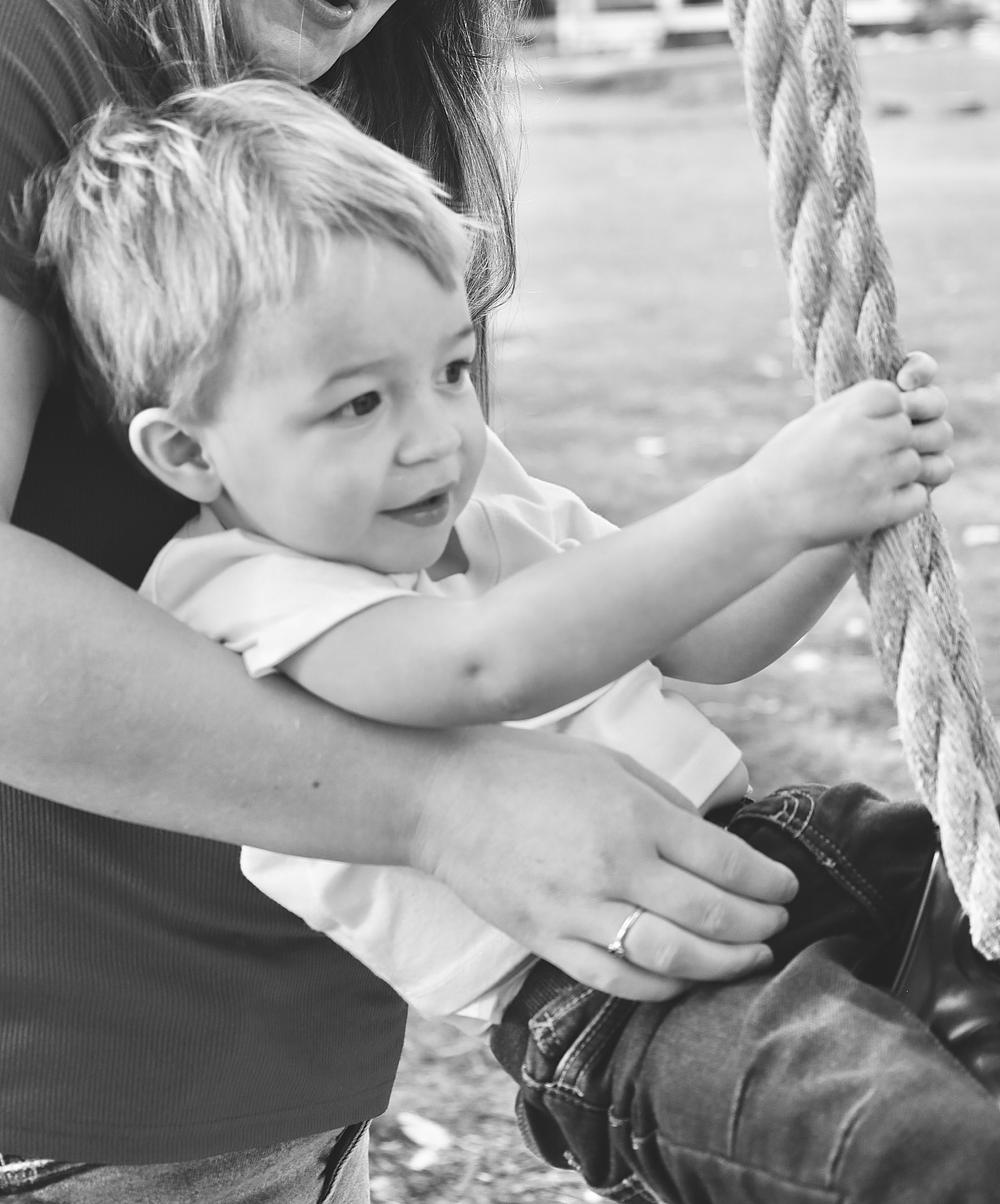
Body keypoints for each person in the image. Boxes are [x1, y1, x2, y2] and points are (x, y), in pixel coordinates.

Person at [0, 0, 801, 1195]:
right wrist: (439, 804)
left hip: (290, 1101)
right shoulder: (19, 31)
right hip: (77, 1120)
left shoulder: (303, 153)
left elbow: (567, 594)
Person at [35, 75, 1000, 1204]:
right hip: (625, 999)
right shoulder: (233, 591)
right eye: (359, 403)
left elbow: (712, 638)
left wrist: (835, 524)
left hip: (783, 851)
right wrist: (767, 503)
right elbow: (481, 664)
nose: (436, 438)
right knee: (913, 1147)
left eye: (450, 370)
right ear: (189, 453)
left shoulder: (484, 504)